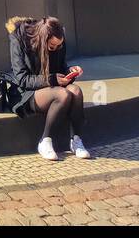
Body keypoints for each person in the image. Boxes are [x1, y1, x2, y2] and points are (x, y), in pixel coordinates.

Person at [6, 14, 91, 161]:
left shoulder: (58, 41)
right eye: (52, 46)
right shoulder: (19, 39)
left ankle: (76, 140)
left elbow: (61, 68)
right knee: (63, 95)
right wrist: (51, 79)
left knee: (76, 91)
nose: (56, 48)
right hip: (26, 93)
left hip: (51, 86)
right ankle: (45, 141)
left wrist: (70, 72)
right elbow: (22, 79)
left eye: (59, 45)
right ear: (42, 39)